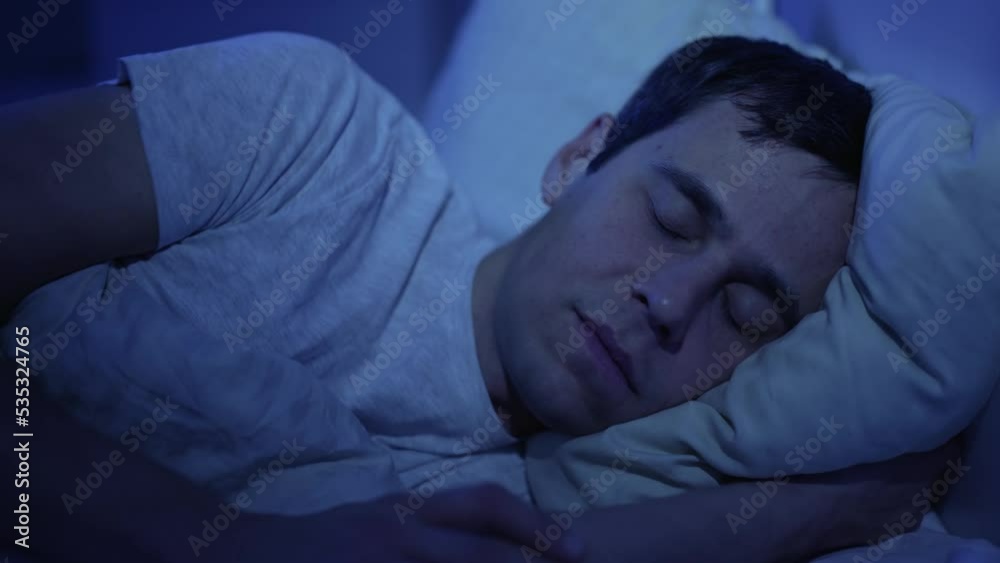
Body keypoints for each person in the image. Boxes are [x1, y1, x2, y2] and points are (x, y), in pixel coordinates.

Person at [0, 32, 956, 561]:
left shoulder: (545, 506)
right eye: (670, 217)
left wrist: (830, 507)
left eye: (745, 315)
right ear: (579, 157)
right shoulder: (317, 139)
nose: (670, 302)